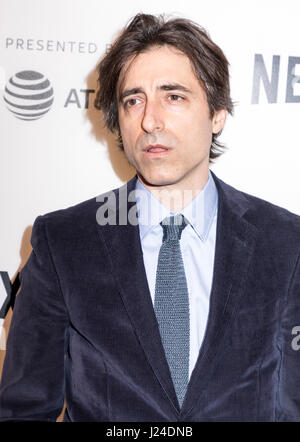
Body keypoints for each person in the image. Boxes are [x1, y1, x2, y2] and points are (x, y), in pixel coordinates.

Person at [0, 12, 300, 422]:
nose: (149, 120)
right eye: (133, 100)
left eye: (173, 96)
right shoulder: (64, 242)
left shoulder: (285, 242)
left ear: (217, 114)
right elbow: (22, 410)